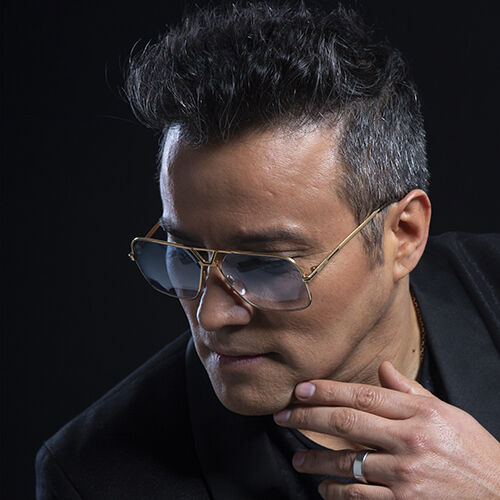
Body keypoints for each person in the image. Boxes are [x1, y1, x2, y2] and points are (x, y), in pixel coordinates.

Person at [36, 2, 500, 498]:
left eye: (263, 266)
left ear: (403, 235)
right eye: (182, 254)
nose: (211, 316)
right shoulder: (92, 479)